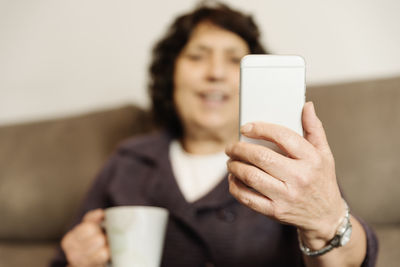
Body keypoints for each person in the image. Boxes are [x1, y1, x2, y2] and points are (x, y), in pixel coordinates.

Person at [50, 2, 378, 267]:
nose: (216, 73)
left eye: (235, 60)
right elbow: (65, 258)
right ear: (170, 75)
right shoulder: (128, 160)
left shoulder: (290, 160)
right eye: (197, 56)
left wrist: (328, 221)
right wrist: (75, 259)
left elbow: (354, 260)